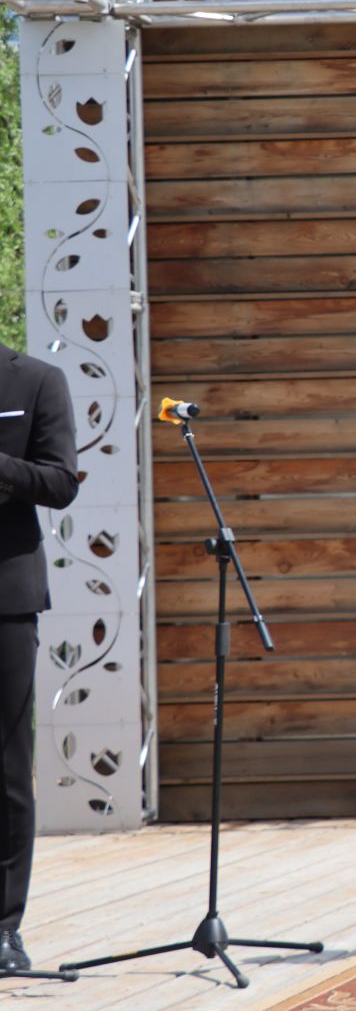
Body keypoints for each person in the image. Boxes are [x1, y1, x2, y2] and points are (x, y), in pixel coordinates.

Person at [0, 342, 80, 976]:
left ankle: (4, 929)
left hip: (5, 600)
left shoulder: (37, 380)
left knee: (6, 767)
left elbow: (59, 481)